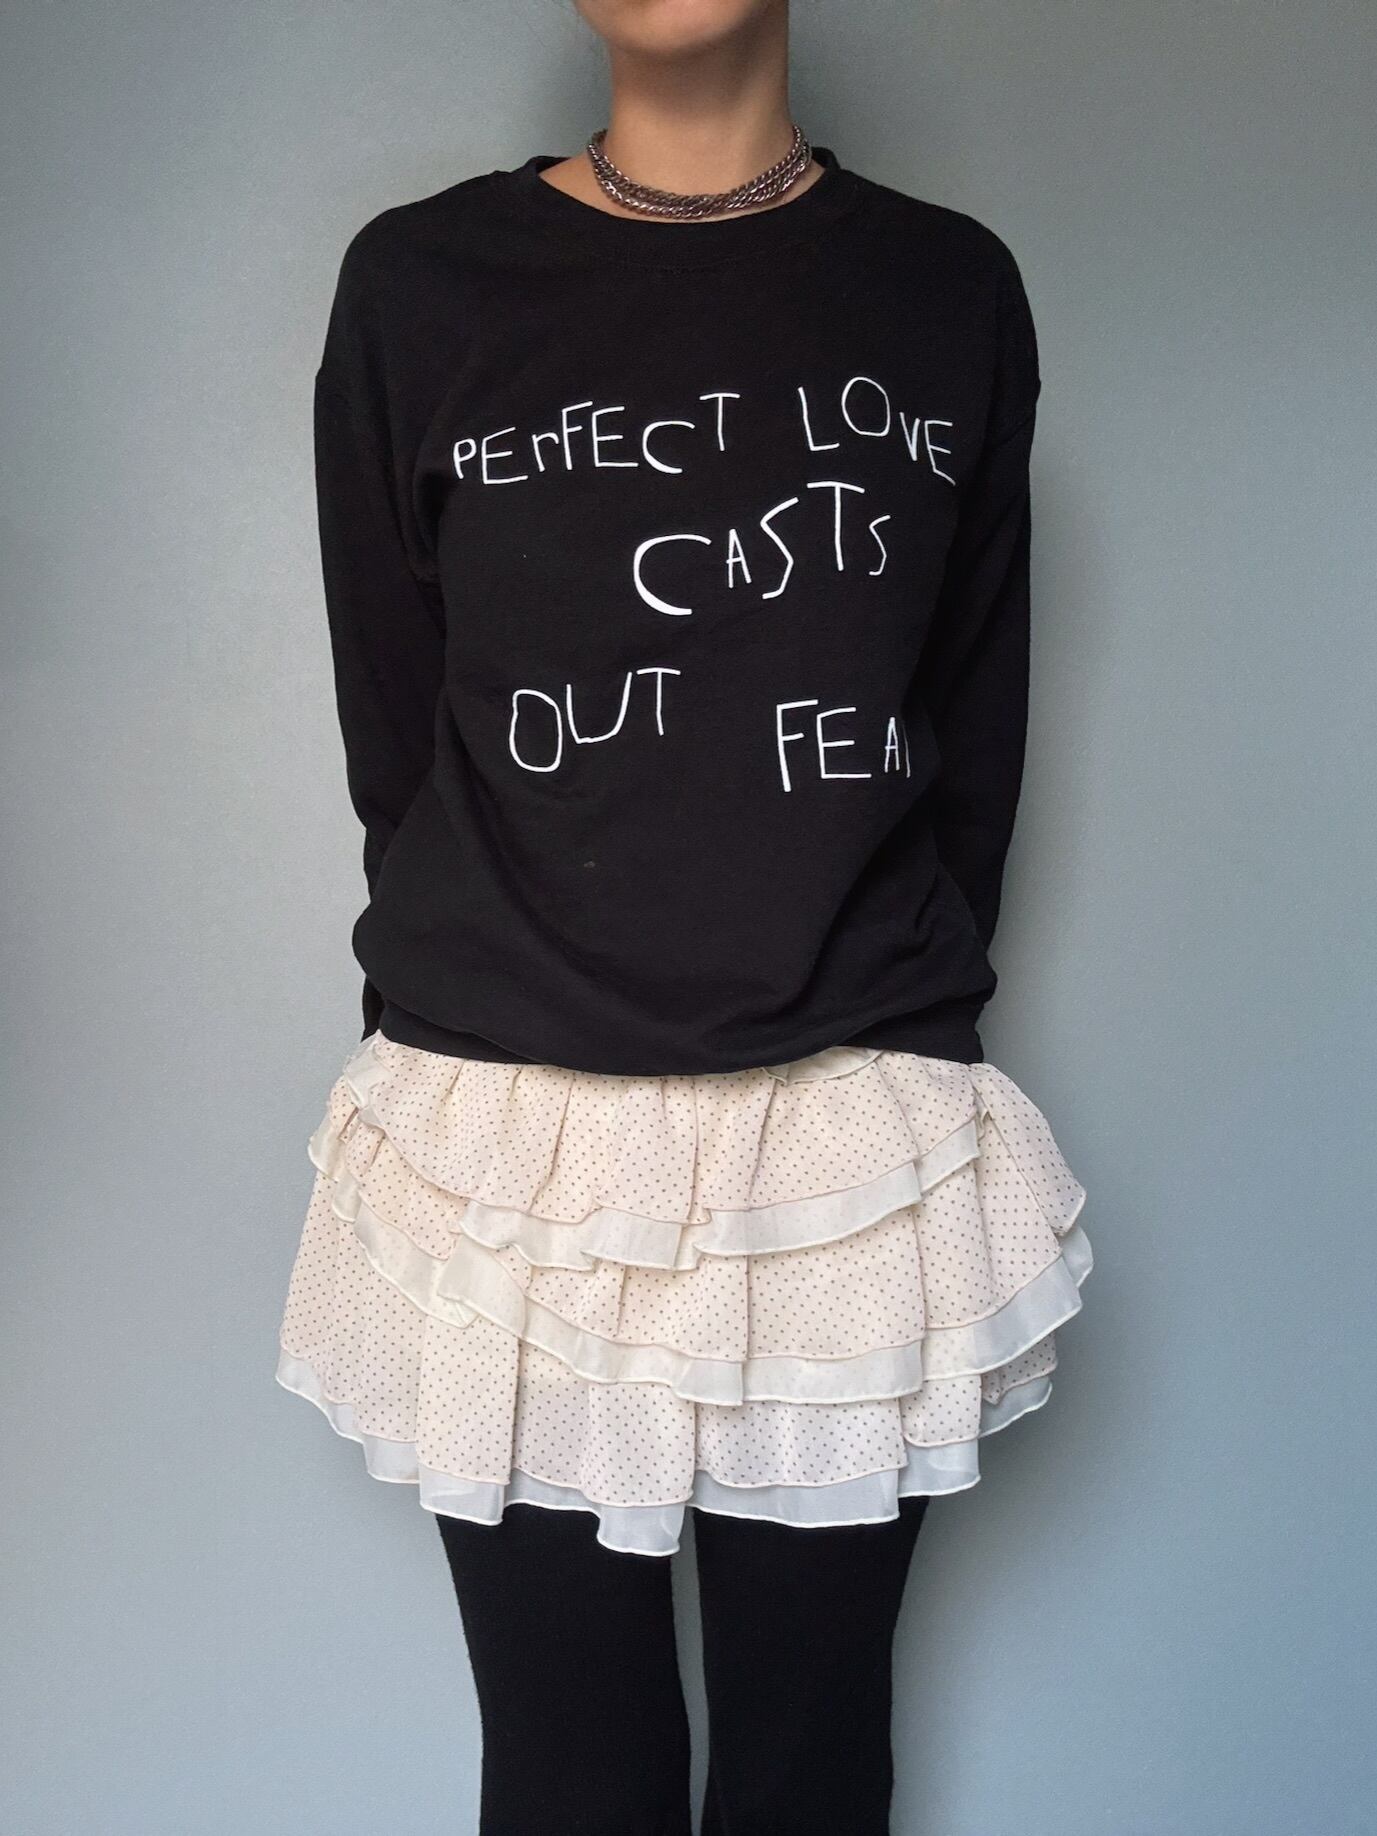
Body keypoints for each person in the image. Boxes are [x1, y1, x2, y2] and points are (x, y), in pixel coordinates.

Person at [274, 1, 1093, 1829]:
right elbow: (396, 729)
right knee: (569, 1772)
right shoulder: (420, 284)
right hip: (516, 1144)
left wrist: (894, 1005)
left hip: (843, 1134)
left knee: (811, 1766)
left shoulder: (944, 289)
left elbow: (972, 722)